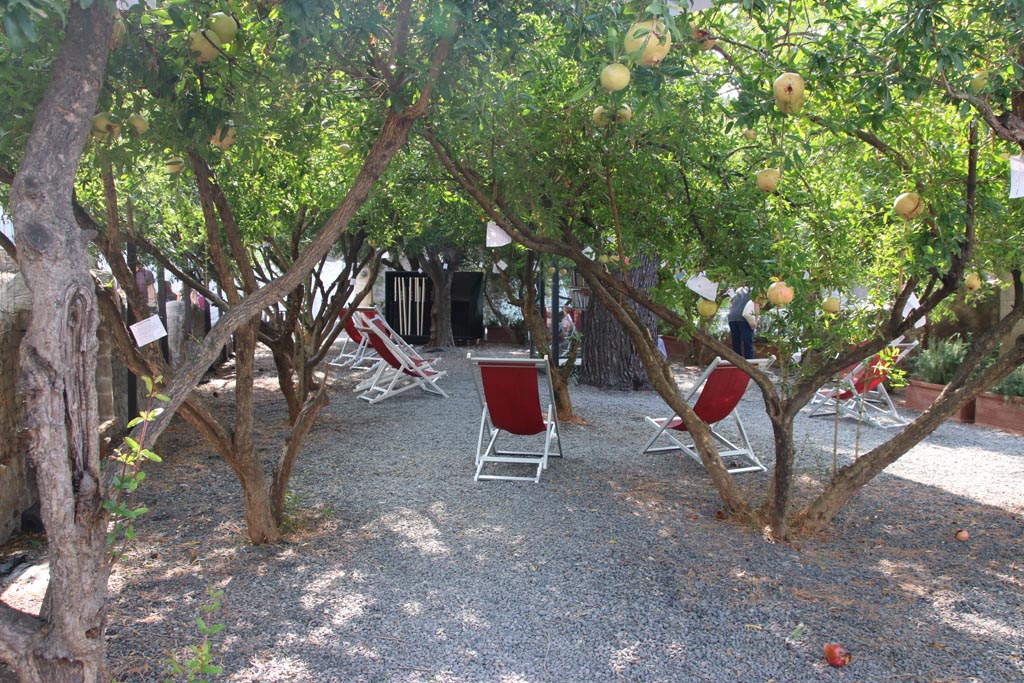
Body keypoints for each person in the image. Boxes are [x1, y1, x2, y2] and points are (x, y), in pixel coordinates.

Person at [727, 286, 759, 359]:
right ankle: (749, 365)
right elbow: (756, 305)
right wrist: (755, 321)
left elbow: (731, 302)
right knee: (748, 343)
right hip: (744, 318)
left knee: (736, 344)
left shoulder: (738, 289)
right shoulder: (754, 290)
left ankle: (737, 364)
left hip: (732, 317)